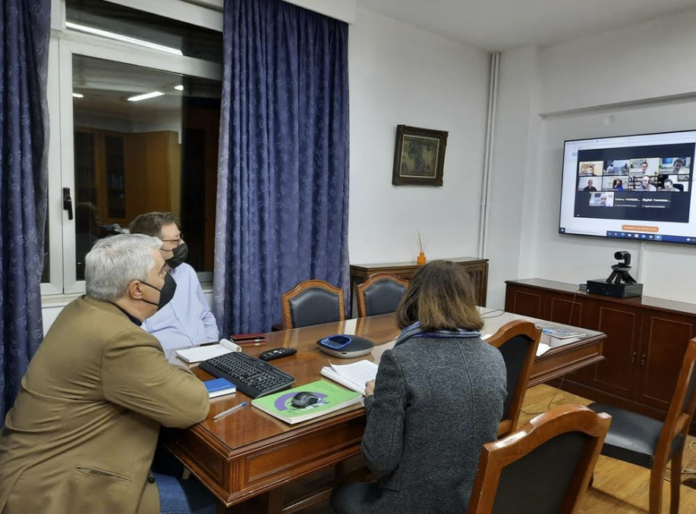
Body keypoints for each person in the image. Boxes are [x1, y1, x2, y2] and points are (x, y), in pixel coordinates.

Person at [0, 235, 215, 514]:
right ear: (137, 289)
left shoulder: (82, 308)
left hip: (29, 468)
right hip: (55, 490)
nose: (168, 280)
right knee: (209, 500)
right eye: (162, 273)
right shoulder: (120, 339)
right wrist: (179, 370)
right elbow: (193, 405)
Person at [330, 260, 507, 514]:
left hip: (413, 504)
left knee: (342, 494)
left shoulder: (400, 360)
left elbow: (380, 461)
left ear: (413, 299)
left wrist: (374, 400)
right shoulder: (494, 357)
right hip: (473, 498)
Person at [130, 212, 220, 352]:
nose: (182, 244)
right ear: (152, 247)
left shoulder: (187, 271)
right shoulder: (136, 285)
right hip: (166, 360)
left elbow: (206, 316)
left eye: (180, 237)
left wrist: (210, 346)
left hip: (205, 353)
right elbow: (141, 339)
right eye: (175, 241)